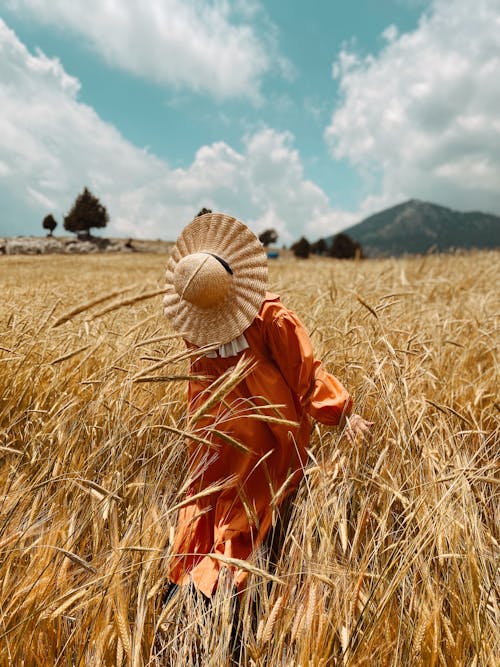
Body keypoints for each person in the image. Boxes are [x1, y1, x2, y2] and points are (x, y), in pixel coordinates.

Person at [162, 212, 372, 601]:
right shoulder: (269, 314)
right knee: (247, 512)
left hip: (211, 429)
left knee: (206, 501)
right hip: (264, 432)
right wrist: (342, 412)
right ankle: (228, 596)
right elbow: (304, 372)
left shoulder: (196, 326)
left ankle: (185, 583)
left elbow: (198, 384)